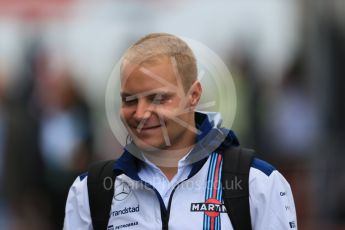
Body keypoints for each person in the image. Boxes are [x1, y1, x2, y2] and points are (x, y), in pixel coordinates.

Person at [63, 33, 297, 229]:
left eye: (158, 98)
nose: (141, 113)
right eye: (130, 100)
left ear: (193, 96)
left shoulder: (259, 184)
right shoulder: (89, 191)